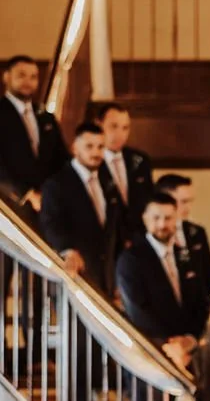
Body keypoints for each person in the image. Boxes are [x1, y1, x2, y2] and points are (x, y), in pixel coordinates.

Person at [116, 193, 210, 401]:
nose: (163, 224)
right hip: (150, 358)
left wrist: (189, 340)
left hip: (185, 356)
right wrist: (168, 345)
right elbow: (136, 310)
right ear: (145, 220)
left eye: (169, 218)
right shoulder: (132, 259)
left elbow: (201, 302)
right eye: (156, 218)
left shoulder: (187, 257)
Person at [39, 118, 124, 298]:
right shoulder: (56, 185)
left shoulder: (108, 184)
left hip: (106, 280)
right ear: (75, 148)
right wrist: (68, 250)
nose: (96, 152)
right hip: (76, 276)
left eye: (100, 147)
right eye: (89, 146)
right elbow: (51, 223)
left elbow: (114, 233)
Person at [0, 54, 68, 219]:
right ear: (6, 77)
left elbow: (61, 158)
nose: (28, 81)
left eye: (33, 77)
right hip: (10, 205)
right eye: (21, 75)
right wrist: (27, 194)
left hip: (48, 206)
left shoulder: (45, 116)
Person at [155, 172, 210, 309]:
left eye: (190, 201)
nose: (188, 208)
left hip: (196, 312)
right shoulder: (150, 236)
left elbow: (207, 274)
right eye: (183, 202)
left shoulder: (197, 233)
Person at [95, 102, 154, 237]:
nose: (119, 134)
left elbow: (149, 201)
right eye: (113, 126)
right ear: (99, 125)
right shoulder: (91, 162)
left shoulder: (140, 160)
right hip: (105, 240)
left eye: (125, 128)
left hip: (138, 239)